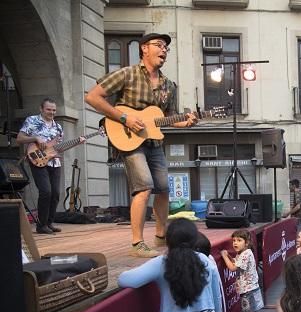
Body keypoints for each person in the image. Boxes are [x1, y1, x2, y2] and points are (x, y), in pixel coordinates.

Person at [85, 33, 198, 258]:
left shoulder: (169, 85)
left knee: (164, 188)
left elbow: (169, 117)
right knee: (144, 187)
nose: (164, 50)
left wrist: (186, 121)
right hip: (127, 138)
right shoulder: (127, 74)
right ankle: (137, 243)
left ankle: (160, 235)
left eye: (166, 47)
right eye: (158, 45)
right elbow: (93, 97)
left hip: (154, 141)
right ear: (144, 49)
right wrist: (124, 118)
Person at [16, 98, 85, 234]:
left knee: (55, 194)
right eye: (48, 109)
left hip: (55, 162)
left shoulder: (58, 127)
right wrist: (35, 138)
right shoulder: (32, 120)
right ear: (41, 109)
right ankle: (41, 225)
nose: (51, 112)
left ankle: (49, 223)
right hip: (37, 160)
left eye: (54, 110)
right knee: (46, 191)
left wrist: (77, 142)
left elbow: (57, 148)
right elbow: (19, 138)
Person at [220, 230, 263, 312]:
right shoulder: (242, 253)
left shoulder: (246, 254)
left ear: (247, 242)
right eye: (234, 240)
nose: (235, 243)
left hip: (249, 290)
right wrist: (228, 256)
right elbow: (235, 263)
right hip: (248, 290)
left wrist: (223, 255)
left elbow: (233, 267)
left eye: (239, 240)